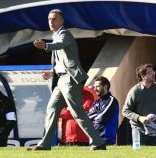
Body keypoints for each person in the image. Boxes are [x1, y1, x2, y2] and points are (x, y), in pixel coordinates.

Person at [28, 9, 106, 151]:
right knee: (51, 109)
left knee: (77, 112)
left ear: (62, 21)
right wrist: (52, 73)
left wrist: (45, 46)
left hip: (69, 80)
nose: (51, 22)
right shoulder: (56, 35)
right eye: (49, 19)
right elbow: (62, 62)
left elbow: (60, 45)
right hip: (61, 80)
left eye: (54, 19)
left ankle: (98, 142)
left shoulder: (64, 34)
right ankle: (44, 145)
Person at [122, 63, 156, 145]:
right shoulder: (135, 91)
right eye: (149, 73)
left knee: (155, 154)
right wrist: (139, 118)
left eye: (153, 72)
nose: (153, 74)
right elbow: (125, 111)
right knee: (138, 154)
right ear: (143, 76)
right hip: (138, 129)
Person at [87, 76, 119, 145]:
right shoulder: (97, 102)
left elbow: (101, 117)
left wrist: (95, 115)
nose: (95, 89)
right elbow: (87, 117)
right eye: (94, 87)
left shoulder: (111, 100)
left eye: (97, 86)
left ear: (105, 86)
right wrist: (97, 114)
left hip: (106, 139)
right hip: (95, 138)